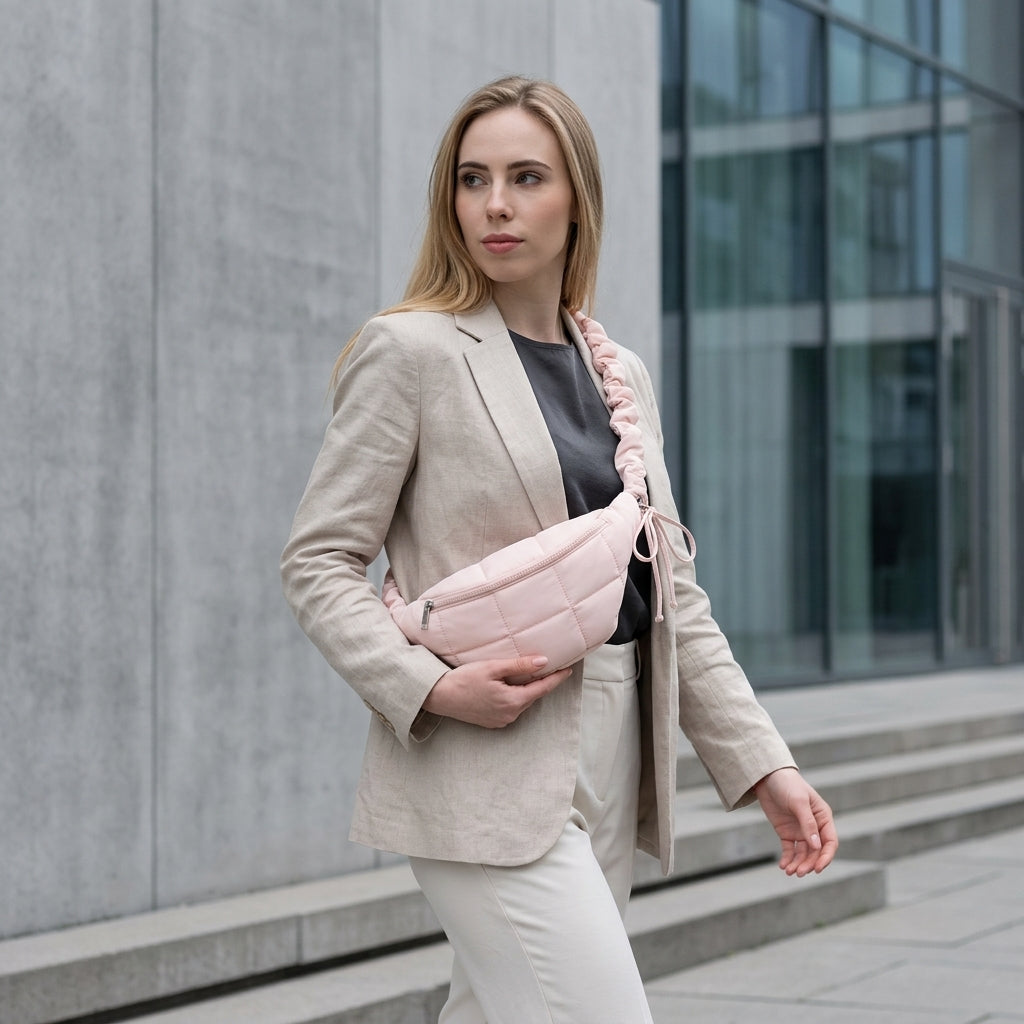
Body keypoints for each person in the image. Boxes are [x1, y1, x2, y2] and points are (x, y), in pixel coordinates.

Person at [281, 76, 837, 1024]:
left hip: (618, 740)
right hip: (478, 757)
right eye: (472, 179)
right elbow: (318, 563)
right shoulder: (410, 351)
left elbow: (674, 594)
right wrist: (428, 686)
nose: (494, 204)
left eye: (526, 177)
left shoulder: (621, 374)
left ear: (578, 197)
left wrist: (762, 763)